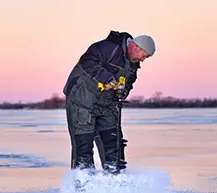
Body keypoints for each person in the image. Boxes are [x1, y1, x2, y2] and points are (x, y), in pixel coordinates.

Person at [62, 30, 155, 174]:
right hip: (82, 101)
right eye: (144, 56)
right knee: (83, 145)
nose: (143, 60)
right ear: (137, 47)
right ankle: (83, 185)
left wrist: (123, 91)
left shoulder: (132, 64)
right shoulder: (108, 48)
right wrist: (107, 78)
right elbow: (87, 61)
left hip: (107, 105)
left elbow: (129, 82)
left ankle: (114, 181)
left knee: (113, 144)